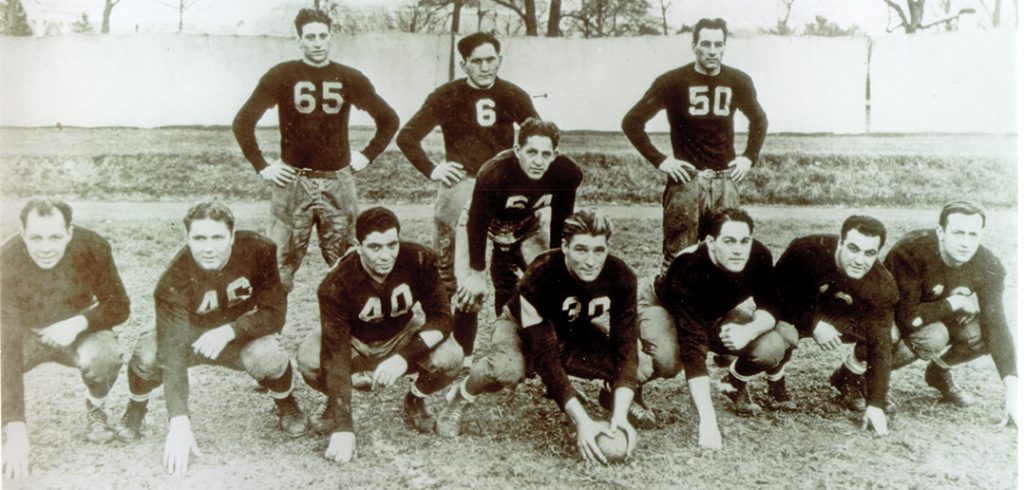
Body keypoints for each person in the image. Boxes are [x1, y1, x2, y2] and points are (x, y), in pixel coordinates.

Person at [436, 210, 652, 465]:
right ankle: (461, 396)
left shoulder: (621, 275)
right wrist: (582, 421)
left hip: (571, 332)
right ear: (564, 247)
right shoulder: (542, 273)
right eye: (581, 249)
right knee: (507, 369)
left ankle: (611, 396)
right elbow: (545, 355)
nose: (591, 261)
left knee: (643, 365)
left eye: (599, 250)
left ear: (608, 248)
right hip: (522, 331)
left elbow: (625, 345)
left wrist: (619, 417)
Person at [114, 201, 305, 475]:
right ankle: (136, 408)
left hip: (238, 335)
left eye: (217, 237)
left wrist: (231, 330)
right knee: (149, 351)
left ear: (232, 234)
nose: (208, 247)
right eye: (199, 238)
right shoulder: (174, 277)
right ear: (188, 238)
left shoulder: (259, 250)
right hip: (189, 336)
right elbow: (173, 347)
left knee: (268, 355)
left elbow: (274, 313)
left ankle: (286, 402)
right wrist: (179, 422)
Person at [233, 8, 399, 292]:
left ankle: (352, 334)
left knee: (350, 262)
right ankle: (271, 334)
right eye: (310, 37)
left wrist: (365, 155)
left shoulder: (349, 77)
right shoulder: (282, 74)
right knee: (278, 264)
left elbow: (389, 119)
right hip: (293, 181)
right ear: (299, 40)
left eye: (323, 36)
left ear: (331, 37)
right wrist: (263, 165)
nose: (318, 43)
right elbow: (243, 122)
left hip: (337, 180)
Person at [397, 31, 539, 359]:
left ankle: (511, 347)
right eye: (477, 61)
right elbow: (407, 136)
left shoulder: (514, 94)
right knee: (455, 270)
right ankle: (461, 349)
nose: (485, 67)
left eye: (491, 59)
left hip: (504, 185)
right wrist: (434, 169)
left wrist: (524, 173)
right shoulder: (446, 95)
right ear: (464, 64)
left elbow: (538, 136)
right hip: (461, 186)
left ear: (500, 60)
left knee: (507, 266)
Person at [296, 207, 463, 465]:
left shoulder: (420, 258)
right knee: (310, 359)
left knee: (451, 357)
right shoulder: (336, 282)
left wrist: (404, 358)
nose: (386, 255)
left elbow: (441, 318)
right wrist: (344, 427)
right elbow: (336, 350)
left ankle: (416, 398)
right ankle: (336, 400)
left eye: (392, 244)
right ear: (358, 246)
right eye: (375, 247)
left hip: (403, 333)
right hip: (354, 340)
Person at [638, 208, 795, 449]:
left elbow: (771, 305)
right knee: (668, 359)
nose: (738, 250)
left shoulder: (758, 255)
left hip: (713, 313)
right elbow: (693, 348)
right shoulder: (688, 267)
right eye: (729, 241)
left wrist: (748, 331)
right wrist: (708, 422)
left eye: (745, 241)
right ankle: (624, 386)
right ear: (711, 242)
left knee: (773, 347)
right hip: (664, 307)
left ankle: (734, 382)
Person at [622, 17, 768, 273]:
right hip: (687, 181)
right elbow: (632, 122)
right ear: (694, 46)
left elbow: (759, 119)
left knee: (726, 254)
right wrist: (662, 160)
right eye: (706, 44)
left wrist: (748, 157)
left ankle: (716, 312)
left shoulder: (738, 80)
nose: (712, 50)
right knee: (679, 257)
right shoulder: (673, 81)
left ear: (724, 46)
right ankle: (673, 313)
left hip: (725, 180)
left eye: (718, 44)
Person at [1, 198, 129, 480]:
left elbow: (119, 304)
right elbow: (7, 343)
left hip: (77, 328)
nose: (46, 247)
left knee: (104, 357)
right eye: (36, 237)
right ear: (23, 234)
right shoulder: (7, 258)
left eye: (55, 237)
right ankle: (5, 418)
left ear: (70, 232)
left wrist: (78, 322)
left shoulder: (93, 246)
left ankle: (96, 409)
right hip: (25, 331)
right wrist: (16, 427)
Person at [884, 201, 1016, 426]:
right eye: (958, 233)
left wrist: (1014, 392)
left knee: (983, 331)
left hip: (929, 312)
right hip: (891, 315)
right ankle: (862, 377)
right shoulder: (911, 251)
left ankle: (939, 371)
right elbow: (907, 318)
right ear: (940, 231)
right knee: (933, 336)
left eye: (973, 234)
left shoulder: (988, 263)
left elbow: (997, 325)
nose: (966, 243)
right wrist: (955, 302)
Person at [773, 215, 898, 436]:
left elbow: (881, 344)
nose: (860, 260)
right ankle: (773, 377)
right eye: (853, 248)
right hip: (802, 309)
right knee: (780, 332)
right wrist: (813, 324)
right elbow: (772, 296)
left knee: (889, 334)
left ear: (878, 253)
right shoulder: (806, 250)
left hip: (843, 317)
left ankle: (849, 378)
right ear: (839, 242)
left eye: (870, 253)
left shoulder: (883, 284)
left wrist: (875, 404)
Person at [456, 117, 583, 322]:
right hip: (484, 225)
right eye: (531, 152)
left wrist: (556, 265)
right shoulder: (494, 172)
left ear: (554, 155)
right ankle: (466, 353)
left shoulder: (565, 172)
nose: (538, 161)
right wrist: (476, 273)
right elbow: (477, 223)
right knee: (469, 293)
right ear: (517, 150)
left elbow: (561, 222)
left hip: (527, 223)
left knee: (549, 284)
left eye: (545, 154)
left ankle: (533, 342)